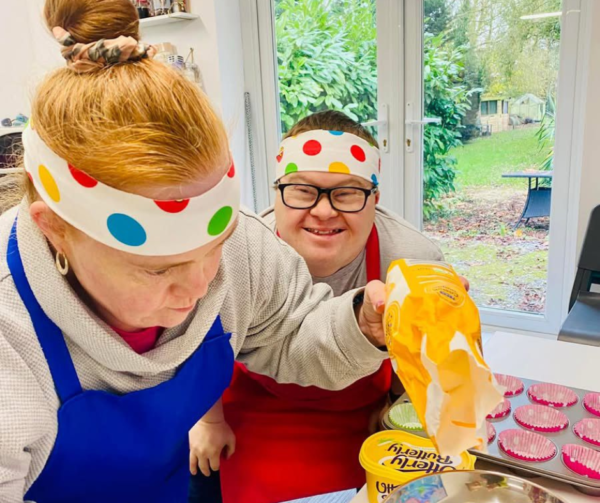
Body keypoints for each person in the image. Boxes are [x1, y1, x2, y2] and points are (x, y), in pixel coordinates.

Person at [0, 3, 390, 502]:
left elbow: (289, 332)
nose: (202, 286)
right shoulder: (12, 336)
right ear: (54, 229)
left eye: (215, 249)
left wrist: (359, 326)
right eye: (157, 268)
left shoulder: (242, 249)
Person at [188, 110, 446, 503]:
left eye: (346, 193)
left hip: (362, 419)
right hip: (252, 413)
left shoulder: (411, 258)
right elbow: (202, 335)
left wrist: (396, 405)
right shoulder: (241, 251)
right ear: (277, 195)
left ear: (374, 200)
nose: (324, 211)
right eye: (303, 191)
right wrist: (209, 419)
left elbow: (423, 356)